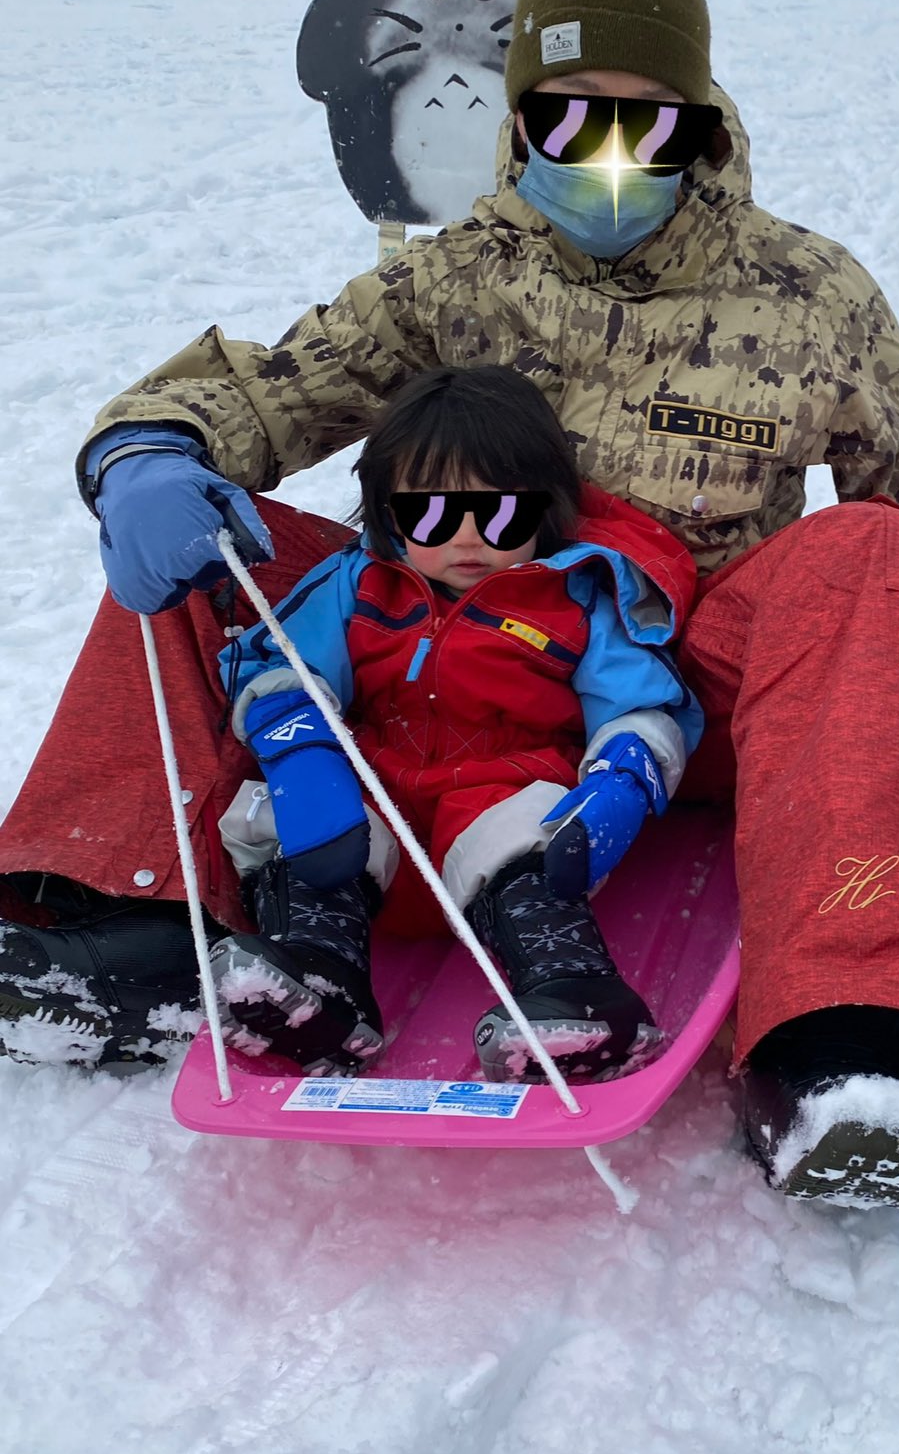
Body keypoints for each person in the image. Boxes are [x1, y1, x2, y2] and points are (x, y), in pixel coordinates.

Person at [0, 0, 899, 1210]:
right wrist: (152, 444)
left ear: (699, 126)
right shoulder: (458, 279)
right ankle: (120, 917)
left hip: (673, 701)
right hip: (450, 668)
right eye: (565, 121)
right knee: (219, 556)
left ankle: (836, 1040)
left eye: (643, 124)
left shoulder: (807, 297)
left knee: (877, 551)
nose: (603, 159)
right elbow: (282, 385)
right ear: (521, 122)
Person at [212, 365, 702, 1083]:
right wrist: (303, 755)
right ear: (388, 514)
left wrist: (623, 779)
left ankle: (571, 993)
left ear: (548, 508)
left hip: (500, 812)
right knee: (287, 818)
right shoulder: (358, 584)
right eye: (433, 517)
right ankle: (320, 983)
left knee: (522, 826)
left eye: (501, 517)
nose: (468, 539)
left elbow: (639, 705)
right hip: (364, 832)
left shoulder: (574, 597)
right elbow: (280, 668)